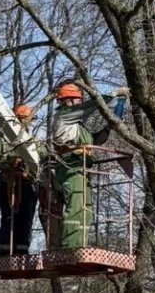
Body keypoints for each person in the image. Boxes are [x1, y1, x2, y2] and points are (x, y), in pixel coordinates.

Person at [48, 83, 129, 249]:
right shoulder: (64, 115)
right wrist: (114, 93)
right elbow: (90, 107)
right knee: (76, 206)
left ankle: (81, 245)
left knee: (86, 209)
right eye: (78, 100)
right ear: (68, 101)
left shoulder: (77, 127)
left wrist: (107, 129)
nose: (79, 103)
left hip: (82, 167)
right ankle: (71, 246)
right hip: (70, 165)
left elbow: (94, 141)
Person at [0, 104, 41, 256]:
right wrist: (9, 162)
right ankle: (5, 250)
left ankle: (22, 250)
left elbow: (43, 159)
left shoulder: (32, 141)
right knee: (8, 217)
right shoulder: (2, 139)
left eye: (29, 120)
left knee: (25, 218)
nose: (28, 123)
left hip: (27, 185)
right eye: (25, 120)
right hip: (9, 183)